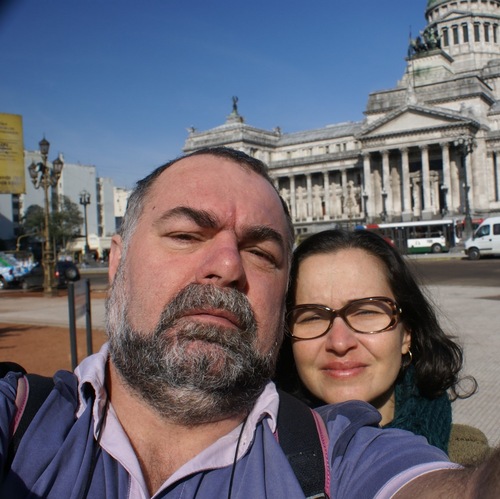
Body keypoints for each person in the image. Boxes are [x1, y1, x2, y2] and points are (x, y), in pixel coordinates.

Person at [0, 147, 498, 498]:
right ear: (117, 262)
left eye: (260, 251)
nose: (227, 266)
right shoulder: (19, 415)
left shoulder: (336, 454)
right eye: (186, 234)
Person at [274, 228, 490, 465]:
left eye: (366, 312)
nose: (339, 342)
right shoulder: (252, 465)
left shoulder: (474, 468)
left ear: (407, 333)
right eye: (312, 317)